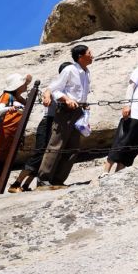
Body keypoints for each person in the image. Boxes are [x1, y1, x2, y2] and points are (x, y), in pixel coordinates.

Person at [36, 45, 93, 190]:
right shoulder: (69, 70)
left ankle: (58, 180)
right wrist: (67, 99)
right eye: (89, 53)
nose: (92, 55)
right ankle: (43, 179)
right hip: (66, 111)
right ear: (80, 56)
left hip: (79, 112)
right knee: (56, 144)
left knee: (73, 147)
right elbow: (55, 90)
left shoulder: (87, 72)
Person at [8, 62, 70, 192]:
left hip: (57, 123)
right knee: (40, 153)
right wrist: (47, 97)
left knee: (46, 155)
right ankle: (16, 184)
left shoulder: (68, 88)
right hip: (48, 122)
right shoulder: (56, 85)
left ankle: (26, 185)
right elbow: (47, 94)